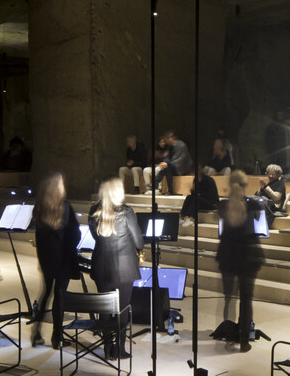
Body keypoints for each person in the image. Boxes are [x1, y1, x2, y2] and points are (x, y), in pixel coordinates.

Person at [88, 175, 143, 359]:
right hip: (125, 268)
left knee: (104, 309)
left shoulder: (93, 212)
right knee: (123, 308)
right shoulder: (127, 212)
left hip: (101, 267)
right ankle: (120, 348)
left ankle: (107, 347)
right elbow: (138, 241)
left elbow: (96, 238)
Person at [215, 171, 266, 352]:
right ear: (245, 185)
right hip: (248, 255)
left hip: (228, 255)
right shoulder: (254, 205)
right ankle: (244, 341)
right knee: (246, 299)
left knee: (229, 299)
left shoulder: (222, 206)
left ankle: (229, 338)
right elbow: (264, 227)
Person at [32, 172, 81, 348]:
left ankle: (36, 332)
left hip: (46, 258)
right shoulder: (65, 207)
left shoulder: (40, 208)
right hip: (63, 258)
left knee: (46, 293)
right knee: (60, 296)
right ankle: (57, 337)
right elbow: (75, 234)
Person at [152, 130, 192, 195]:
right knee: (167, 167)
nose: (166, 142)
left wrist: (168, 163)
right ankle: (170, 191)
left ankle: (156, 182)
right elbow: (166, 157)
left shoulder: (181, 145)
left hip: (182, 168)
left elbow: (181, 160)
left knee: (167, 163)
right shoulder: (170, 147)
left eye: (166, 140)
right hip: (173, 167)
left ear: (170, 138)